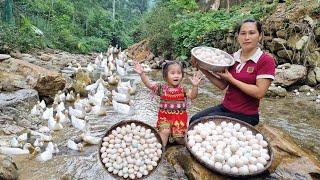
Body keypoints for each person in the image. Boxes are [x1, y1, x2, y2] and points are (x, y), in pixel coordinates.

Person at [190, 19, 276, 126]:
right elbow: (223, 85)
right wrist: (203, 68)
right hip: (225, 108)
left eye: (252, 33)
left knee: (203, 125)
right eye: (243, 33)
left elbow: (259, 93)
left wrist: (232, 79)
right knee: (194, 120)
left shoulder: (265, 60)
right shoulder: (232, 58)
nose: (247, 37)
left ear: (260, 36)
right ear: (238, 36)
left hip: (246, 115)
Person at [134, 61, 202, 147]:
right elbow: (150, 85)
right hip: (164, 118)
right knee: (165, 131)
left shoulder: (183, 89)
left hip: (179, 120)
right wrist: (142, 74)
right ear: (165, 76)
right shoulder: (161, 88)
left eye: (179, 73)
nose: (176, 75)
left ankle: (184, 141)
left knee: (179, 139)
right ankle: (162, 149)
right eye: (172, 73)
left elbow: (192, 96)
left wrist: (195, 86)